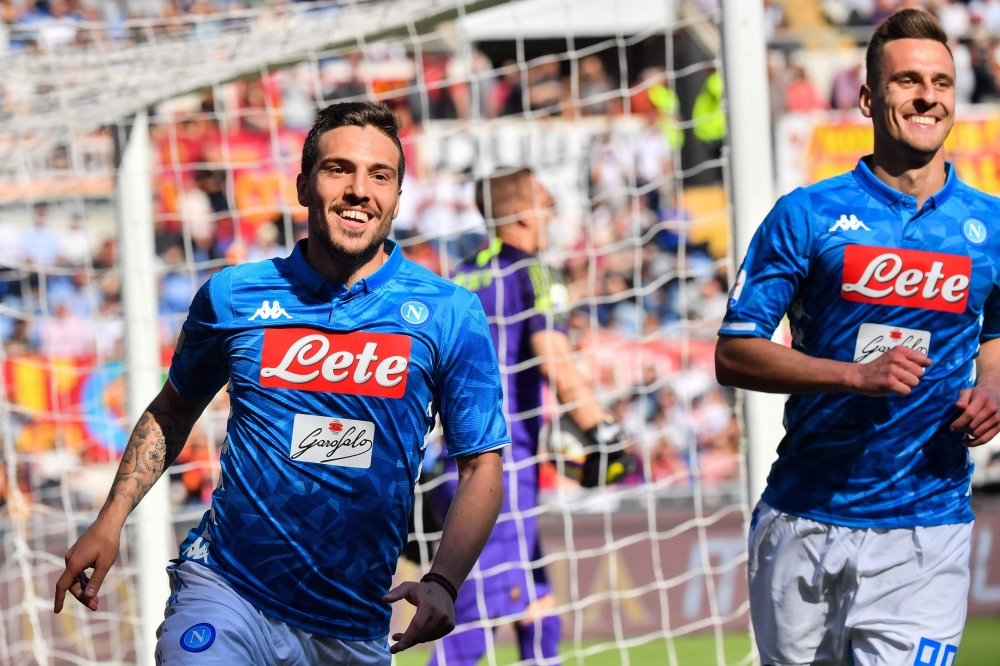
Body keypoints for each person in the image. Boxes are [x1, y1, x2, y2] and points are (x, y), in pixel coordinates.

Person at [53, 101, 510, 665]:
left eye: (379, 176)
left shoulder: (450, 313)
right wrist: (110, 518)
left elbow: (482, 462)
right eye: (338, 169)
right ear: (302, 185)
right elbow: (173, 410)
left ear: (396, 197)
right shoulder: (233, 295)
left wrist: (443, 580)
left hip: (352, 625)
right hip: (227, 591)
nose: (358, 190)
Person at [716, 10, 1000, 666]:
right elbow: (734, 351)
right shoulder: (807, 215)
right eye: (907, 80)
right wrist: (852, 374)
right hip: (804, 518)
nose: (928, 95)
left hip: (926, 530)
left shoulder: (988, 225)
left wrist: (992, 388)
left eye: (942, 82)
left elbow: (997, 327)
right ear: (870, 99)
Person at [432, 168, 635, 665]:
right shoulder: (535, 271)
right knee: (469, 620)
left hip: (450, 464)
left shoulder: (458, 276)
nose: (554, 215)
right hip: (499, 471)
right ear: (523, 212)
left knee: (538, 601)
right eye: (547, 203)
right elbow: (556, 362)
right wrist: (601, 429)